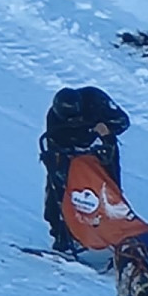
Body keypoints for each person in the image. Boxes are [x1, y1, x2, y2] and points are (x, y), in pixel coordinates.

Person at [39, 86, 131, 251]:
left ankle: (115, 229)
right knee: (59, 191)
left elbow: (123, 121)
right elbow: (52, 145)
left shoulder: (96, 100)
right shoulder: (53, 116)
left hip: (100, 149)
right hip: (70, 153)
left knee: (108, 191)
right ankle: (62, 234)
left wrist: (105, 129)